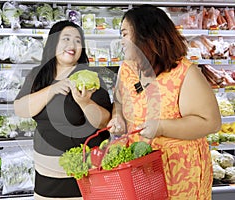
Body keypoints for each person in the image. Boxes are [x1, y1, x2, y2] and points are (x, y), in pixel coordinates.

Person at [107, 5, 221, 199]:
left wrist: (160, 127)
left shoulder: (185, 73)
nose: (121, 41)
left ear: (146, 35)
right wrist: (117, 117)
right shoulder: (127, 69)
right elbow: (119, 101)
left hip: (180, 175)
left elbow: (210, 122)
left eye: (125, 33)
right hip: (140, 169)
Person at [14, 20, 112, 200]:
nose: (72, 45)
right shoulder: (38, 75)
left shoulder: (91, 78)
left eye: (77, 41)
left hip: (84, 174)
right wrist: (51, 90)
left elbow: (104, 122)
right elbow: (21, 109)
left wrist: (85, 103)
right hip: (45, 175)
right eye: (65, 39)